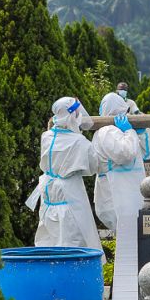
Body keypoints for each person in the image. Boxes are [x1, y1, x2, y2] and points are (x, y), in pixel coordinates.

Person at [26, 97, 102, 255]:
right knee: (72, 239)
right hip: (70, 195)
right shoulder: (80, 142)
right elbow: (93, 166)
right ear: (72, 116)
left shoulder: (46, 136)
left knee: (49, 238)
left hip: (48, 194)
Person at [92, 92, 150, 231]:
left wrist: (142, 133)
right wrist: (130, 132)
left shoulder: (122, 131)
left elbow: (148, 153)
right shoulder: (106, 131)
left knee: (133, 235)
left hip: (129, 192)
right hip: (116, 193)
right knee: (125, 236)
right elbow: (125, 154)